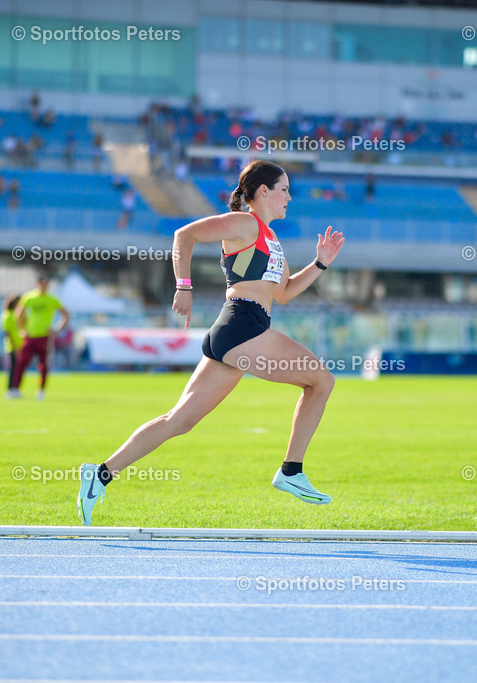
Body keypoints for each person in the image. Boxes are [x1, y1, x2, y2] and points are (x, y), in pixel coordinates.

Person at [77, 160, 345, 526]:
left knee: (178, 421)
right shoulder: (245, 223)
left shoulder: (270, 238)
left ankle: (101, 474)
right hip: (242, 325)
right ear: (263, 192)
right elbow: (183, 236)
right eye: (284, 189)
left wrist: (320, 263)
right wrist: (183, 286)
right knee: (321, 381)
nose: (289, 197)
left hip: (238, 331)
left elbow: (283, 293)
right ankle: (291, 470)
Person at [9, 275, 68, 400]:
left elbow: (66, 315)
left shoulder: (52, 299)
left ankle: (41, 391)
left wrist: (56, 329)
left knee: (43, 365)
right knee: (22, 362)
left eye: (46, 284)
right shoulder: (29, 297)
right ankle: (15, 389)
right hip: (30, 336)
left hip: (45, 336)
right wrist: (22, 330)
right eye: (42, 283)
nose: (44, 286)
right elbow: (18, 314)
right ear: (37, 284)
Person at [0, 295, 22, 393]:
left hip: (19, 345)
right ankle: (10, 388)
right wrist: (14, 346)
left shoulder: (17, 315)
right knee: (13, 368)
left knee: (17, 368)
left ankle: (15, 387)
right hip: (12, 346)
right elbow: (8, 333)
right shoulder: (8, 315)